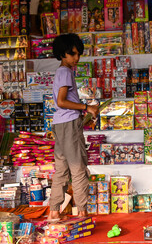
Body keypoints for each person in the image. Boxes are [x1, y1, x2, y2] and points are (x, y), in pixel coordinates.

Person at [48, 34, 99, 220]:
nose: (76, 58)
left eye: (78, 54)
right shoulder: (66, 72)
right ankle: (82, 212)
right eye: (72, 54)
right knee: (78, 168)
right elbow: (62, 101)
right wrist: (87, 107)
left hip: (60, 124)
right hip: (69, 123)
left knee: (61, 169)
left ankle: (54, 211)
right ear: (63, 54)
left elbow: (61, 102)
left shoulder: (61, 72)